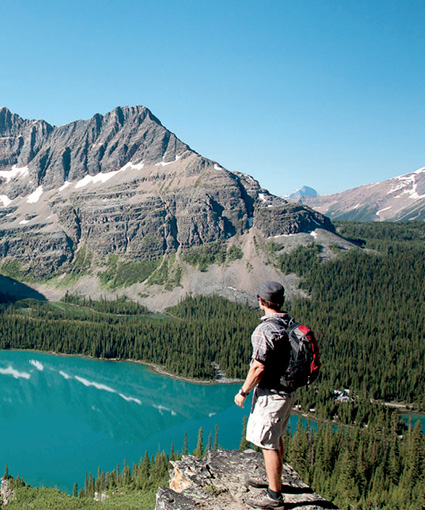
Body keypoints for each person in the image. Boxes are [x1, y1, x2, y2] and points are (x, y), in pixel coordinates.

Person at [234, 281, 295, 509]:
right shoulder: (288, 324)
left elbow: (258, 367)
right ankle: (273, 481)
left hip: (272, 394)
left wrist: (243, 392)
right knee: (275, 438)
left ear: (261, 301)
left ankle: (274, 497)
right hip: (287, 392)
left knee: (269, 443)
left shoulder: (265, 329)